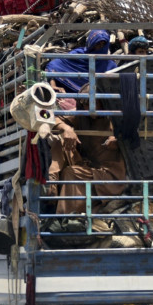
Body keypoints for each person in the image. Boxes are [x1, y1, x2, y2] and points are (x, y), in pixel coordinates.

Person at [47, 85, 126, 215]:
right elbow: (50, 117)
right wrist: (66, 129)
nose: (90, 108)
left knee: (71, 173)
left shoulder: (114, 117)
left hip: (108, 175)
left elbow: (133, 136)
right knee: (60, 140)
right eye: (86, 105)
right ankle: (51, 183)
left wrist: (118, 140)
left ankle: (63, 218)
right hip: (87, 166)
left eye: (95, 103)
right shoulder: (81, 116)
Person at [45, 29, 117, 94]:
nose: (100, 47)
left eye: (103, 44)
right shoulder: (78, 54)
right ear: (91, 43)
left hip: (97, 100)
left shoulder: (109, 64)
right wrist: (53, 86)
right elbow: (54, 66)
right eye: (98, 43)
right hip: (69, 92)